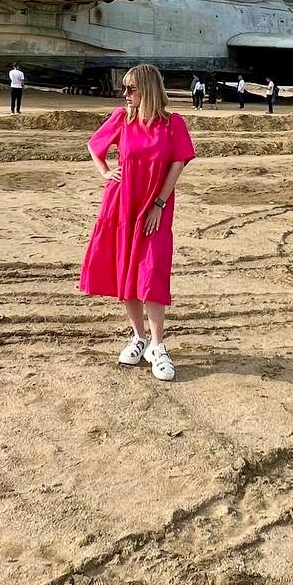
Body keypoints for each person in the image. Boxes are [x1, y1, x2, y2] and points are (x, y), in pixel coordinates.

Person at [80, 64, 195, 381]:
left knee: (152, 271)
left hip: (155, 208)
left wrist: (159, 203)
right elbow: (94, 145)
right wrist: (106, 172)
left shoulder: (172, 123)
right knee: (127, 271)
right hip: (122, 205)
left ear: (148, 88)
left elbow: (177, 164)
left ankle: (158, 346)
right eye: (124, 88)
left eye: (131, 88)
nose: (125, 94)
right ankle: (138, 337)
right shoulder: (122, 118)